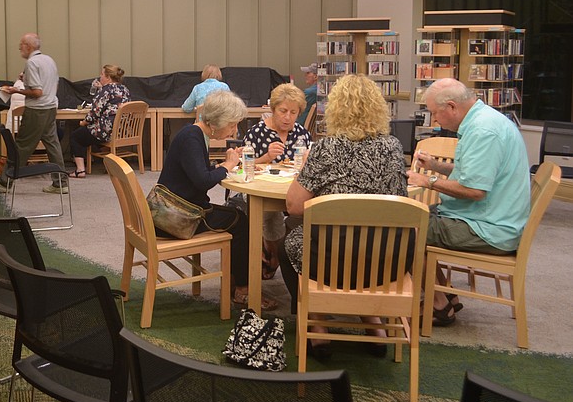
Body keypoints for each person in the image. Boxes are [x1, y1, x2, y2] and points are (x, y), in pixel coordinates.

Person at [283, 74, 410, 359]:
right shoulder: (392, 147)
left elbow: (294, 205)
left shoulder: (327, 148)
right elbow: (402, 202)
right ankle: (374, 323)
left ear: (337, 108)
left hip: (332, 258)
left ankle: (319, 326)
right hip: (385, 259)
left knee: (290, 240)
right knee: (361, 242)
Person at [406, 78, 530, 326]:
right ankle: (444, 293)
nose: (434, 121)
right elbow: (474, 172)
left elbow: (474, 190)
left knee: (405, 228)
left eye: (434, 113)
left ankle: (438, 305)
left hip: (487, 227)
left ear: (451, 106)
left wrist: (428, 180)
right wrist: (435, 166)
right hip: (490, 218)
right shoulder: (484, 120)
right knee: (413, 215)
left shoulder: (483, 131)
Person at [158, 90, 276, 310]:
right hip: (178, 218)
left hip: (171, 209)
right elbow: (203, 181)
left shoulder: (192, 134)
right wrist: (228, 165)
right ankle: (243, 289)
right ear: (219, 122)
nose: (234, 130)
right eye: (232, 125)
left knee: (236, 218)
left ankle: (235, 281)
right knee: (241, 222)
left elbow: (197, 174)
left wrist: (225, 164)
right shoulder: (192, 138)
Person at [242, 83, 311, 279]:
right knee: (269, 216)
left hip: (293, 190)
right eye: (283, 111)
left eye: (293, 112)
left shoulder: (301, 134)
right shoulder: (256, 133)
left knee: (305, 214)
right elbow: (240, 167)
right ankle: (272, 254)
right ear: (273, 109)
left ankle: (283, 253)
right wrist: (265, 157)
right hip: (263, 190)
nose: (287, 117)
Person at [0, 33, 68, 194]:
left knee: (22, 145)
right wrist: (26, 78)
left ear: (29, 46)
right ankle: (60, 183)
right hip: (50, 108)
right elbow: (52, 85)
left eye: (21, 44)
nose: (19, 48)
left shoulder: (32, 63)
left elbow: (37, 92)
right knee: (53, 144)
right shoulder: (49, 60)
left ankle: (5, 180)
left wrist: (16, 89)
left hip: (36, 110)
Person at [68, 65, 130, 178]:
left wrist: (84, 122)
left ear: (108, 77)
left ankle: (80, 170)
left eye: (102, 74)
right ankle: (112, 161)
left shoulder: (105, 91)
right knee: (92, 136)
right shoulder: (124, 89)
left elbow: (94, 113)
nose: (100, 76)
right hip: (120, 130)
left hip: (105, 131)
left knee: (76, 136)